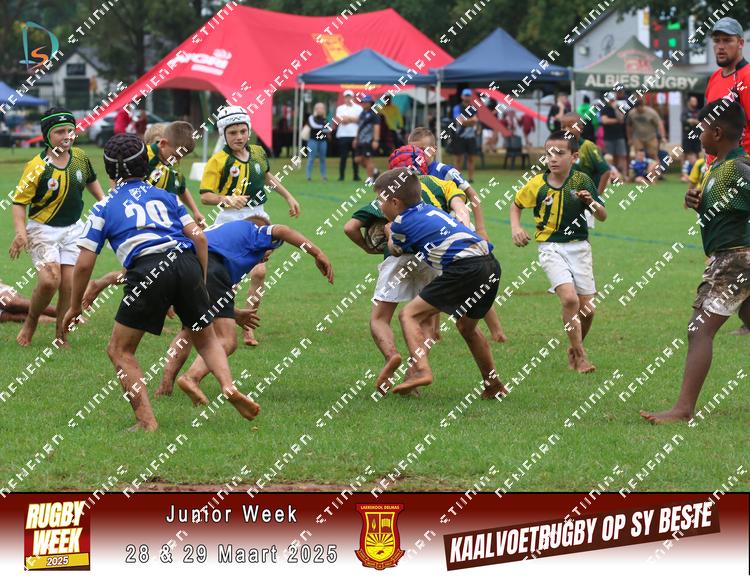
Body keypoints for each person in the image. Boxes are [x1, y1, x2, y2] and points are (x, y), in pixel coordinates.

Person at [63, 133, 260, 432]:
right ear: (145, 165)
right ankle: (228, 386)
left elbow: (84, 264)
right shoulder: (166, 196)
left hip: (148, 269)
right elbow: (200, 238)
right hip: (186, 261)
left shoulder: (104, 207)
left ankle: (146, 422)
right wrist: (199, 280)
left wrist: (75, 306)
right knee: (206, 338)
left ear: (109, 170)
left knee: (120, 350)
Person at [640, 99, 750, 424]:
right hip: (735, 256)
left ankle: (683, 409)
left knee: (698, 329)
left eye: (700, 129)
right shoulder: (717, 166)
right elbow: (730, 206)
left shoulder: (738, 167)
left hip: (735, 258)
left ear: (716, 132)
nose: (697, 135)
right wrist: (698, 202)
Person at [149, 220, 332, 401]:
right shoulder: (253, 232)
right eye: (270, 250)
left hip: (181, 265)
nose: (267, 256)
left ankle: (165, 386)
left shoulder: (222, 235)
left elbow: (210, 301)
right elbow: (283, 230)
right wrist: (318, 253)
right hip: (210, 267)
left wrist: (235, 314)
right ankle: (191, 378)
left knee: (190, 330)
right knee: (227, 340)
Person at [344, 146, 473, 395]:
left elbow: (350, 227)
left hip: (397, 258)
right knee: (425, 320)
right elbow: (462, 208)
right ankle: (414, 373)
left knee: (380, 318)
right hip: (430, 257)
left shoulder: (389, 192)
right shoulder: (440, 185)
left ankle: (391, 355)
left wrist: (367, 247)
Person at [376, 168, 507, 399]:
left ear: (395, 202)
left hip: (464, 268)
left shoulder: (399, 224)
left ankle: (421, 370)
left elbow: (395, 250)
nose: (379, 205)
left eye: (380, 200)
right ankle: (493, 384)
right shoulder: (431, 209)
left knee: (409, 315)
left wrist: (388, 232)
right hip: (490, 264)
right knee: (467, 327)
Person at [200, 105, 300, 347]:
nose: (239, 137)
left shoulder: (257, 152)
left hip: (258, 216)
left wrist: (288, 196)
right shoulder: (218, 161)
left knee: (259, 272)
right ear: (223, 133)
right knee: (230, 278)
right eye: (232, 132)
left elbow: (267, 176)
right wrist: (226, 199)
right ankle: (224, 319)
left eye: (243, 131)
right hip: (231, 221)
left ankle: (248, 326)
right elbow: (205, 196)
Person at [510, 131, 608, 373]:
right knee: (570, 299)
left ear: (574, 156)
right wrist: (516, 228)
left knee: (588, 310)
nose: (552, 158)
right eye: (548, 154)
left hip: (580, 248)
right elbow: (516, 205)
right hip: (550, 247)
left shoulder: (582, 180)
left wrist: (591, 202)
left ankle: (574, 348)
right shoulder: (537, 184)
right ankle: (581, 356)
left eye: (559, 153)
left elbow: (602, 215)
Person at [9, 107, 105, 346]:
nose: (66, 136)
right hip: (43, 230)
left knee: (69, 284)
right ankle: (31, 321)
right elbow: (19, 203)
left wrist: (105, 203)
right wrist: (20, 233)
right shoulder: (37, 166)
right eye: (60, 132)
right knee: (50, 280)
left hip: (73, 229)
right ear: (47, 136)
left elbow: (91, 181)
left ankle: (61, 334)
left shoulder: (80, 157)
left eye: (70, 131)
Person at [407, 127, 507, 342]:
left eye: (424, 150)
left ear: (434, 150)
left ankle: (497, 331)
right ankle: (434, 332)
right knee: (433, 281)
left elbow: (473, 196)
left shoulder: (444, 171)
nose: (419, 155)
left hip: (458, 232)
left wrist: (480, 228)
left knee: (475, 285)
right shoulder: (410, 176)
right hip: (434, 238)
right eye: (414, 150)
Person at [704, 17, 750, 167]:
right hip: (714, 170)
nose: (721, 46)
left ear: (740, 43)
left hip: (740, 169)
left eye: (727, 40)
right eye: (717, 41)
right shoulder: (714, 78)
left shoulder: (747, 77)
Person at [145, 121, 205, 227]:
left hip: (169, 216)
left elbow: (181, 188)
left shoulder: (173, 162)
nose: (178, 160)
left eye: (181, 157)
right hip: (146, 217)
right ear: (163, 144)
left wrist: (196, 211)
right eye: (176, 156)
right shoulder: (144, 156)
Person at [562, 113, 611, 194]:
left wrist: (597, 196)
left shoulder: (588, 147)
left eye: (571, 127)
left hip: (587, 197)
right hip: (569, 197)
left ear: (580, 128)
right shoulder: (561, 148)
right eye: (563, 127)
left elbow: (606, 172)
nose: (566, 130)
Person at [333, 90, 363, 181]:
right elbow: (341, 120)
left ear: (353, 98)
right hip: (343, 135)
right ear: (344, 98)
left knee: (355, 157)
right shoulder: (340, 108)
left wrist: (347, 118)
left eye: (349, 97)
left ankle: (356, 176)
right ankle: (341, 176)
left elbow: (360, 120)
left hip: (355, 135)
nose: (348, 99)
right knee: (343, 157)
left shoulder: (359, 108)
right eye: (346, 97)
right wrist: (353, 119)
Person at [451, 89, 480, 182]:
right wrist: (470, 121)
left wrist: (465, 121)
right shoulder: (457, 108)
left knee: (471, 158)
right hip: (460, 136)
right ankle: (457, 179)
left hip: (471, 137)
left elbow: (475, 121)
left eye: (468, 95)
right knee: (458, 158)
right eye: (465, 95)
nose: (467, 97)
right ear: (462, 96)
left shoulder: (473, 108)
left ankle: (471, 178)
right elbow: (459, 121)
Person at [353, 95, 381, 183]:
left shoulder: (374, 114)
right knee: (357, 159)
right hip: (360, 140)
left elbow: (377, 127)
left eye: (366, 102)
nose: (363, 104)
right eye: (363, 102)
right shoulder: (362, 113)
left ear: (370, 103)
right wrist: (356, 138)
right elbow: (359, 127)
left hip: (369, 140)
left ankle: (370, 179)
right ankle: (375, 171)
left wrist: (376, 140)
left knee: (368, 159)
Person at [601, 93, 628, 175]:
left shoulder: (619, 108)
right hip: (608, 137)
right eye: (610, 100)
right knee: (610, 157)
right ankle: (612, 175)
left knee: (622, 156)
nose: (612, 101)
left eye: (613, 99)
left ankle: (623, 175)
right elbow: (604, 121)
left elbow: (621, 119)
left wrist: (616, 109)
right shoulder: (605, 109)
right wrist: (616, 121)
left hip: (619, 136)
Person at [306, 102, 330, 181]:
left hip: (323, 141)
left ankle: (324, 176)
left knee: (323, 159)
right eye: (318, 108)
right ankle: (308, 176)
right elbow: (313, 126)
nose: (320, 110)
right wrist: (323, 127)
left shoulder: (325, 119)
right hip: (313, 141)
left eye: (322, 108)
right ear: (315, 109)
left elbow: (328, 130)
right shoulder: (311, 118)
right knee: (311, 158)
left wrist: (323, 128)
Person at [682, 96, 702, 167]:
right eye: (693, 101)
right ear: (689, 102)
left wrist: (693, 121)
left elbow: (702, 122)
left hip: (697, 136)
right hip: (687, 137)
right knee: (687, 154)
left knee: (697, 154)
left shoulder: (699, 112)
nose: (695, 102)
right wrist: (694, 121)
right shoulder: (685, 112)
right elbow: (684, 120)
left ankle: (697, 170)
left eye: (696, 101)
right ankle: (685, 170)